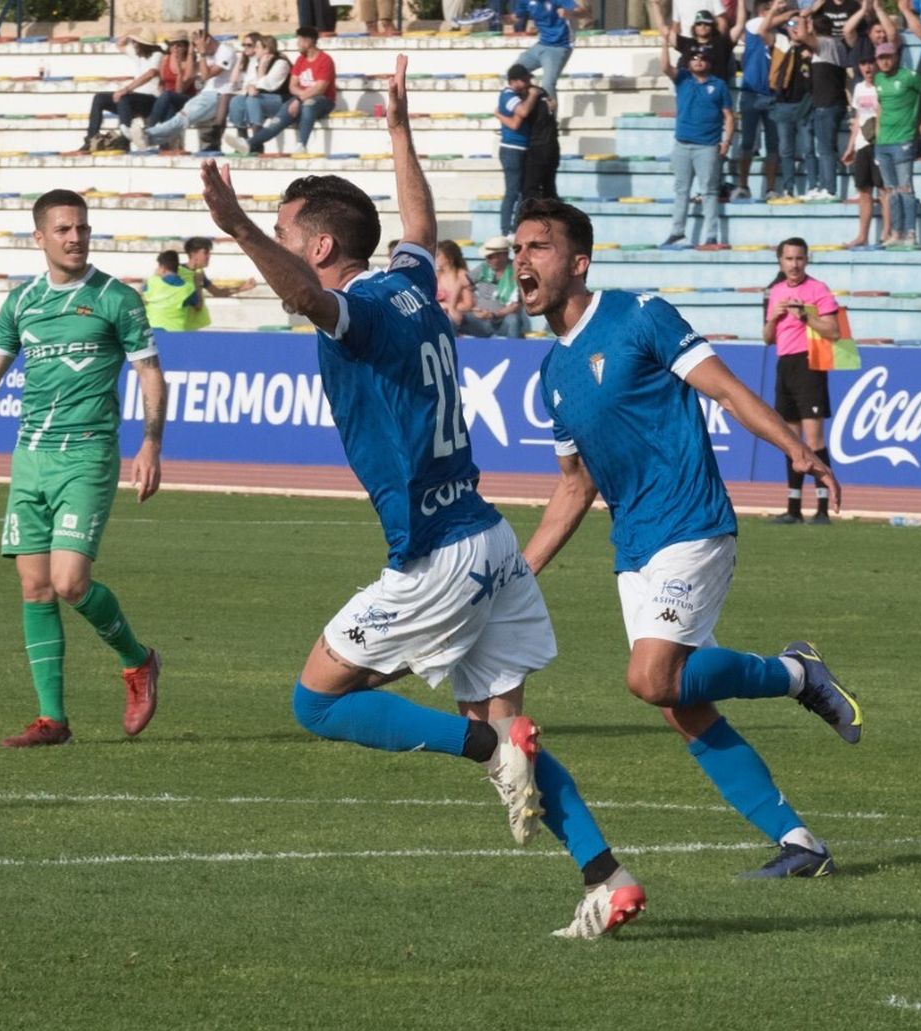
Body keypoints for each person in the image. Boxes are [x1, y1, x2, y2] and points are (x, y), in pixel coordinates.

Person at [199, 56, 643, 942]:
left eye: (288, 233)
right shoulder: (410, 284)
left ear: (319, 247)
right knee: (508, 725)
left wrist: (238, 225)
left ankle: (488, 750)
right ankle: (608, 876)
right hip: (489, 542)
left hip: (436, 552)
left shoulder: (358, 310)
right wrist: (399, 130)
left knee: (318, 703)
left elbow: (304, 295)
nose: (279, 245)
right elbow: (420, 224)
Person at [512, 202, 862, 881]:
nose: (522, 259)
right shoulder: (552, 374)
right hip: (634, 549)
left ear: (579, 262)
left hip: (692, 522)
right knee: (680, 706)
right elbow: (575, 488)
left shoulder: (640, 315)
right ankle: (801, 845)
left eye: (538, 247)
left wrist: (796, 447)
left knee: (650, 679)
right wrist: (518, 575)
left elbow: (726, 390)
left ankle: (796, 673)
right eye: (518, 247)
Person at [0, 189, 166, 749]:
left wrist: (151, 443)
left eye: (82, 228)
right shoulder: (21, 303)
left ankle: (137, 660)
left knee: (69, 582)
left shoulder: (116, 299)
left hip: (87, 454)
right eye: (63, 229)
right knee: (35, 588)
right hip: (30, 457)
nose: (76, 238)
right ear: (40, 237)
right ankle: (52, 720)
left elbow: (150, 373)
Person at [759, 238, 841, 522]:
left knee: (814, 440)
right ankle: (793, 508)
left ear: (807, 260)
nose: (794, 264)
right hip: (785, 365)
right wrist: (774, 317)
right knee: (791, 442)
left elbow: (833, 331)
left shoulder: (818, 289)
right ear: (780, 261)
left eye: (799, 258)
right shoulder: (776, 291)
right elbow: (767, 338)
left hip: (809, 364)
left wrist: (805, 315)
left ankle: (822, 508)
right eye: (789, 259)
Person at [660, 35, 733, 248]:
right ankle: (677, 232)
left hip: (707, 146)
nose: (698, 61)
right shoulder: (682, 79)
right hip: (682, 144)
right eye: (693, 58)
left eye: (702, 58)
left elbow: (728, 116)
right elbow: (665, 67)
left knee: (709, 191)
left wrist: (726, 142)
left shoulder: (719, 85)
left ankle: (711, 235)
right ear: (688, 62)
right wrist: (664, 42)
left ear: (709, 62)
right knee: (681, 190)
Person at [798, 6, 870, 202]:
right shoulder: (838, 44)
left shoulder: (823, 43)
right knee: (827, 147)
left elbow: (802, 35)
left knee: (825, 149)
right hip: (835, 102)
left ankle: (829, 188)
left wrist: (802, 16)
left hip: (826, 104)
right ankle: (824, 185)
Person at [729, 0, 795, 201]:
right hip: (751, 93)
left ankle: (770, 188)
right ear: (761, 11)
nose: (775, 13)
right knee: (748, 143)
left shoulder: (782, 35)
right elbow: (764, 26)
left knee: (773, 145)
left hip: (773, 95)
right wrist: (786, 12)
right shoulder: (753, 24)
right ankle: (743, 186)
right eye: (770, 9)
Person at [243, 26, 335, 155]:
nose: (297, 44)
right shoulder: (300, 60)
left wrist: (299, 99)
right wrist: (300, 98)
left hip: (323, 101)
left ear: (308, 42)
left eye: (299, 41)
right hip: (302, 98)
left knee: (309, 104)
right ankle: (249, 143)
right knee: (279, 119)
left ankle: (302, 144)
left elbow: (320, 89)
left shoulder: (325, 60)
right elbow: (293, 86)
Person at [142, 29, 237, 151]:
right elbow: (190, 74)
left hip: (219, 96)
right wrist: (191, 52)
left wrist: (202, 54)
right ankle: (149, 139)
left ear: (207, 40)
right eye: (195, 46)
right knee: (180, 119)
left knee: (182, 119)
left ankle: (147, 133)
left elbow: (205, 76)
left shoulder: (226, 51)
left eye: (197, 45)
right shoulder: (205, 54)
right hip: (205, 94)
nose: (197, 49)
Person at [872, 41, 921, 248]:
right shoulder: (878, 79)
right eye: (881, 58)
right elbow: (881, 106)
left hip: (903, 139)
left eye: (888, 57)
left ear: (896, 57)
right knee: (890, 191)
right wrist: (877, 134)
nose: (885, 62)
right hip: (883, 142)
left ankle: (911, 234)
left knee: (905, 189)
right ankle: (896, 232)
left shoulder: (909, 76)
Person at [81, 29, 162, 152]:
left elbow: (150, 74)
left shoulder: (157, 55)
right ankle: (91, 138)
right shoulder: (139, 55)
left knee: (124, 97)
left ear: (144, 44)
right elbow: (119, 44)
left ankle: (124, 139)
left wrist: (127, 89)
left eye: (136, 42)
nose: (134, 44)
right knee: (99, 98)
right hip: (134, 98)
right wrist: (131, 32)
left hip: (150, 100)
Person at [768, 15, 815, 199]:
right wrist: (779, 12)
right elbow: (763, 29)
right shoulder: (780, 44)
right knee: (785, 150)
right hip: (783, 104)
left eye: (798, 24)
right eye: (791, 24)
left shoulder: (812, 47)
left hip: (804, 104)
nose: (795, 27)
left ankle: (813, 187)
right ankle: (788, 189)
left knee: (808, 148)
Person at [844, 53, 888, 245]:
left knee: (884, 189)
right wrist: (850, 146)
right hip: (862, 143)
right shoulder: (859, 88)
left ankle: (886, 234)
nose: (868, 68)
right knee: (864, 190)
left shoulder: (883, 86)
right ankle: (863, 235)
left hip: (880, 142)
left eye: (870, 63)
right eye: (863, 63)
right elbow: (858, 118)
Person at [495, 64, 541, 237]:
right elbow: (522, 112)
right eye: (524, 79)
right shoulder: (508, 95)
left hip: (521, 148)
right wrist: (533, 95)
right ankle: (506, 230)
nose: (528, 82)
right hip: (512, 149)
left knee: (522, 191)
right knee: (513, 191)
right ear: (514, 81)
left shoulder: (515, 95)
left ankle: (515, 227)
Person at [130, 33, 198, 144]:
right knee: (168, 105)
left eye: (179, 45)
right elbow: (161, 81)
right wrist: (161, 90)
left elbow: (179, 91)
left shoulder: (189, 63)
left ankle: (148, 128)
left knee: (168, 96)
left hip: (185, 98)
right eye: (172, 45)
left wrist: (179, 73)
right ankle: (165, 145)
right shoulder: (166, 59)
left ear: (186, 47)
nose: (175, 48)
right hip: (168, 98)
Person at [226, 35, 291, 148]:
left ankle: (257, 143)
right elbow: (252, 85)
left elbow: (268, 86)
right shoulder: (259, 62)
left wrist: (261, 69)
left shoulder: (281, 63)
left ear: (267, 49)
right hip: (264, 98)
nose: (255, 50)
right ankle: (242, 139)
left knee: (253, 100)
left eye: (257, 47)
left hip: (282, 101)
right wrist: (250, 87)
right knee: (236, 101)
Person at [512, 0, 584, 103]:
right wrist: (503, 19)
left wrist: (570, 13)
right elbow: (514, 18)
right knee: (514, 73)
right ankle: (523, 106)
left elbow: (583, 12)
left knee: (547, 84)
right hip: (541, 44)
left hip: (560, 46)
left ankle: (550, 112)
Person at [179, 236, 254, 330]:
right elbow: (196, 305)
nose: (209, 256)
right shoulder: (177, 272)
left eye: (209, 253)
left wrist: (242, 288)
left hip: (192, 327)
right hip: (177, 327)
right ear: (193, 253)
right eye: (206, 253)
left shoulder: (199, 272)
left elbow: (217, 292)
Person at [463, 235, 529, 338]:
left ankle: (513, 348)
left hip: (502, 320)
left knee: (513, 320)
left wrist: (493, 315)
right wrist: (473, 306)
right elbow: (464, 286)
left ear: (504, 255)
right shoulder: (483, 268)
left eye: (490, 256)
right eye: (487, 257)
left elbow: (516, 306)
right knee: (454, 318)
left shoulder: (517, 272)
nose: (487, 260)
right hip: (479, 319)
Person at [520, 80, 561, 204]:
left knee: (530, 189)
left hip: (538, 146)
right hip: (552, 144)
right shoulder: (542, 93)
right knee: (549, 188)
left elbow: (523, 113)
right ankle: (554, 213)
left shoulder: (529, 95)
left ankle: (532, 214)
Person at [144, 248, 203, 331]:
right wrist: (197, 283)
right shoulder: (188, 288)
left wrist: (154, 275)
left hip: (153, 332)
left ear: (162, 268)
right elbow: (198, 306)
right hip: (175, 334)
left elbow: (144, 301)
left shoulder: (151, 282)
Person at [436, 239, 477, 329]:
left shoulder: (462, 275)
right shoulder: (437, 276)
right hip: (442, 314)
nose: (435, 258)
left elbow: (468, 304)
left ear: (449, 257)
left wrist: (446, 306)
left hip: (461, 316)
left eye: (438, 255)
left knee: (448, 319)